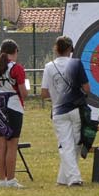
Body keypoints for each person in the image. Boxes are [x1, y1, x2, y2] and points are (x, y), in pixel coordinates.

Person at [40, 35, 88, 187]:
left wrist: (57, 96)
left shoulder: (49, 67)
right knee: (76, 144)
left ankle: (63, 178)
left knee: (66, 145)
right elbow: (87, 88)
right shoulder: (76, 64)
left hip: (58, 111)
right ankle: (74, 178)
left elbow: (44, 93)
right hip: (76, 110)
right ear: (70, 49)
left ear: (56, 49)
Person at [0, 39, 27, 188]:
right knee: (12, 145)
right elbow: (23, 93)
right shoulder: (17, 68)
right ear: (15, 51)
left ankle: (1, 180)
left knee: (1, 144)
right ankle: (11, 180)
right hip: (13, 107)